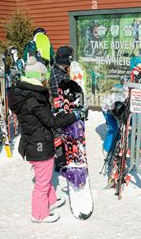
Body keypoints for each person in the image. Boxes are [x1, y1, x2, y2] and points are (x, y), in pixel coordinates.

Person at [8, 57, 84, 223]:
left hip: (35, 141)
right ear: (38, 77)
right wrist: (73, 116)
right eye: (43, 77)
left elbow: (45, 118)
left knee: (46, 175)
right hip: (39, 144)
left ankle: (51, 200)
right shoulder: (34, 99)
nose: (45, 81)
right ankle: (39, 214)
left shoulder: (26, 94)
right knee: (42, 182)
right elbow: (51, 122)